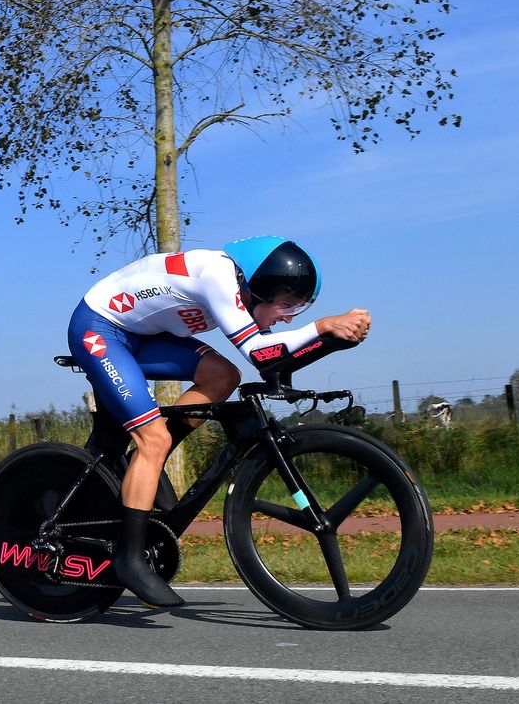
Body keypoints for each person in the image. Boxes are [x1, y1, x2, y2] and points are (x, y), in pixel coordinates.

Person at [66, 236, 370, 609]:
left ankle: (139, 463)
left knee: (223, 378)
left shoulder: (240, 286)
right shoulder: (217, 276)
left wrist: (335, 340)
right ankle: (129, 558)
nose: (290, 316)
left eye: (299, 309)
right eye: (286, 305)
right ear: (257, 288)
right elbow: (262, 354)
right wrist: (324, 326)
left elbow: (276, 357)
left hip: (143, 336)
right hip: (100, 330)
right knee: (154, 439)